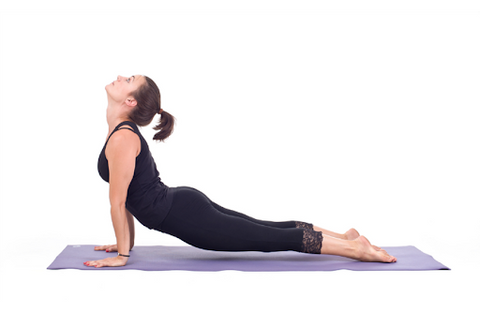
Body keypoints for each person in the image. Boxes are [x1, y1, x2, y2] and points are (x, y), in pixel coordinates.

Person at [84, 75, 397, 268]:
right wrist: (124, 244)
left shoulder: (122, 137)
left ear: (129, 100)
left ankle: (354, 249)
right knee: (267, 228)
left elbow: (118, 202)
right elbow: (124, 198)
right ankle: (345, 237)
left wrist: (122, 256)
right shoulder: (122, 134)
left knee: (267, 236)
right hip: (183, 205)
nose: (120, 76)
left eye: (128, 79)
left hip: (184, 213)